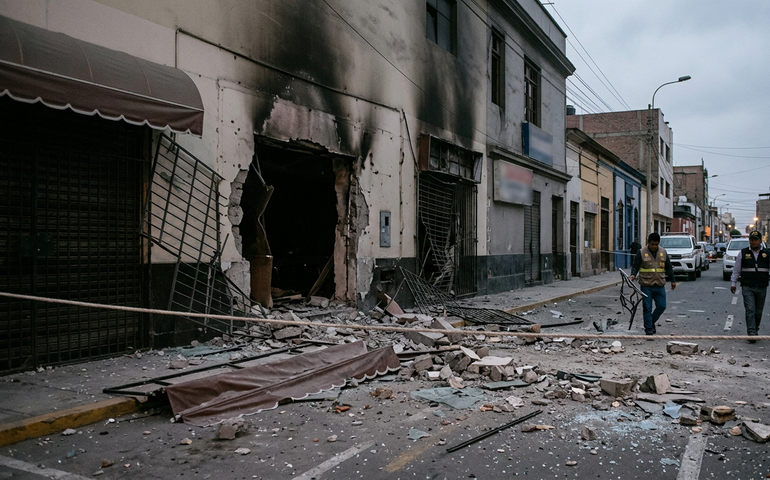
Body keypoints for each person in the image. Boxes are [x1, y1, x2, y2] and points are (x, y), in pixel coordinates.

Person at [629, 232, 676, 335]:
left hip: (659, 284)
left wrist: (673, 280)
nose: (654, 246)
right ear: (648, 242)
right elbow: (635, 265)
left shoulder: (663, 252)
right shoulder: (641, 252)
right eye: (652, 244)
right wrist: (633, 274)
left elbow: (668, 267)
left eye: (656, 244)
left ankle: (651, 321)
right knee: (647, 308)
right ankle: (649, 329)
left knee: (662, 306)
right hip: (646, 284)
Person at [730, 230, 769, 343]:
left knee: (758, 312)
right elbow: (736, 269)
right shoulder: (743, 253)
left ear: (760, 241)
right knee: (750, 309)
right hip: (747, 286)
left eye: (756, 240)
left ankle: (755, 329)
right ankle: (751, 332)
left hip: (761, 286)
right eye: (751, 240)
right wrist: (733, 283)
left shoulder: (767, 253)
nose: (753, 242)